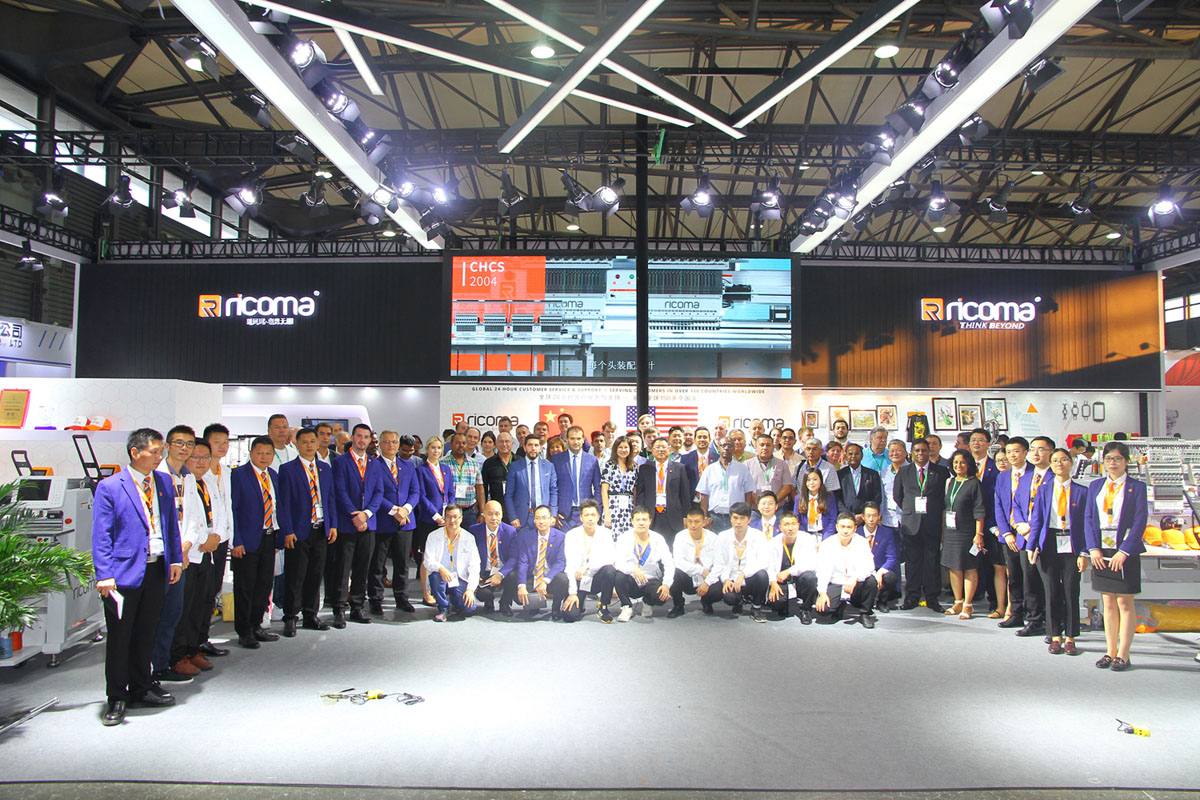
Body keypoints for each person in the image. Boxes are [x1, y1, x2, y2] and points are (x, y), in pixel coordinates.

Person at [93, 428, 183, 726]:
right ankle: (117, 696)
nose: (159, 457)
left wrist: (175, 559)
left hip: (156, 567)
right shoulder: (110, 486)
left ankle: (141, 688)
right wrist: (104, 574)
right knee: (121, 636)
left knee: (147, 632)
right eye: (154, 452)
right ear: (135, 452)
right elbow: (102, 535)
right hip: (122, 574)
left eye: (160, 452)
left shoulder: (163, 482)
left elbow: (170, 524)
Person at [1084, 441, 1147, 671]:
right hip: (1101, 550)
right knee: (1108, 601)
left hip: (1125, 550)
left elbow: (1140, 520)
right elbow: (1088, 518)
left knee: (1124, 602)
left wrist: (1125, 551)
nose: (1113, 463)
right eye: (1109, 458)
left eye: (1118, 458)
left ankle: (1124, 654)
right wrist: (1092, 548)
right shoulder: (1095, 486)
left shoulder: (1137, 487)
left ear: (1126, 461)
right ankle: (1110, 652)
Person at [1028, 448, 1088, 656]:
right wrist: (1031, 546)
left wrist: (1084, 552)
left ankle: (1070, 637)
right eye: (1054, 461)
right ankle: (1055, 636)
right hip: (1049, 542)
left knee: (1071, 590)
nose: (1059, 464)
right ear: (1051, 464)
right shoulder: (1044, 489)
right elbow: (1037, 519)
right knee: (1051, 590)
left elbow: (1087, 523)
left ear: (1071, 463)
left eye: (1063, 460)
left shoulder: (1082, 491)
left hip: (1072, 543)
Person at [169, 439, 222, 673]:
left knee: (202, 604)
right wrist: (202, 541)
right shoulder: (180, 482)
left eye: (205, 458)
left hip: (208, 552)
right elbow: (187, 519)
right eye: (196, 457)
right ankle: (179, 654)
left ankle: (193, 649)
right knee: (185, 608)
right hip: (189, 554)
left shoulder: (206, 482)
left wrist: (216, 537)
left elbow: (219, 514)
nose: (201, 462)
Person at [277, 427, 337, 636]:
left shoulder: (324, 468)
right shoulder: (287, 469)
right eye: (304, 442)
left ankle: (311, 615)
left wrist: (333, 525)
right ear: (297, 444)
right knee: (296, 576)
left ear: (318, 443)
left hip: (321, 529)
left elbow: (330, 499)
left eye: (313, 441)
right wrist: (287, 530)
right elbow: (283, 504)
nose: (309, 445)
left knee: (315, 575)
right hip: (298, 531)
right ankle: (291, 617)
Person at [153, 425, 201, 683]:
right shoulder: (157, 475)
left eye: (189, 444)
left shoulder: (188, 477)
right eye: (179, 443)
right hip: (160, 554)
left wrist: (187, 543)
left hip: (181, 554)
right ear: (167, 446)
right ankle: (151, 666)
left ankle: (163, 664)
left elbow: (192, 515)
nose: (185, 448)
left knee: (173, 612)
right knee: (155, 613)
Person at [230, 436, 285, 648]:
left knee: (264, 585)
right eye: (259, 453)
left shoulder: (273, 475)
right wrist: (236, 541)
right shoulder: (238, 475)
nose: (264, 457)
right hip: (246, 540)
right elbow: (234, 510)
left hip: (269, 537)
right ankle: (244, 631)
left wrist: (279, 537)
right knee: (245, 587)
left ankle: (256, 626)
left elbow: (278, 507)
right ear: (251, 453)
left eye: (268, 453)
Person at [331, 424, 383, 626]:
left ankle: (357, 607)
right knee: (342, 569)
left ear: (370, 440)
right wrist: (354, 515)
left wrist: (366, 514)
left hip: (368, 524)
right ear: (352, 438)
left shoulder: (375, 464)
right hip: (347, 523)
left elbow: (379, 492)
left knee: (362, 568)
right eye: (359, 436)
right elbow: (340, 491)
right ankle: (338, 609)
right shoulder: (340, 462)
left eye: (366, 437)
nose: (362, 440)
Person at [368, 431, 421, 616]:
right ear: (380, 445)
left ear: (398, 444)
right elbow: (374, 493)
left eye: (394, 442)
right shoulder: (373, 465)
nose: (391, 445)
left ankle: (401, 597)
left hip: (405, 522)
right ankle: (375, 599)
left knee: (402, 564)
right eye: (387, 442)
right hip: (383, 521)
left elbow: (415, 492)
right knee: (377, 564)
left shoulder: (408, 465)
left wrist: (405, 510)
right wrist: (394, 511)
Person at [895, 437, 949, 613]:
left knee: (932, 561)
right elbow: (898, 496)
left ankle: (932, 598)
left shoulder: (941, 472)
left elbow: (944, 497)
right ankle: (912, 596)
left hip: (932, 522)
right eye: (917, 450)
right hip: (911, 523)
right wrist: (911, 510)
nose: (920, 453)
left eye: (924, 450)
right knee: (912, 562)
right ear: (912, 453)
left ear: (929, 452)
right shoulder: (904, 471)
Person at [198, 423, 233, 659]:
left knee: (212, 590)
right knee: (199, 593)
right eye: (217, 442)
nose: (222, 446)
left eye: (225, 442)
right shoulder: (198, 474)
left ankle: (203, 637)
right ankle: (194, 642)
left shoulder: (226, 472)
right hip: (202, 542)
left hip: (222, 538)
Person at [940, 450, 986, 620]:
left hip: (967, 532)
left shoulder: (974, 483)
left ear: (969, 465)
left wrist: (978, 533)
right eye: (956, 462)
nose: (958, 466)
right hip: (951, 532)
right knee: (954, 567)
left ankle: (968, 604)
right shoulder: (951, 482)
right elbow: (946, 507)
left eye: (962, 462)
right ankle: (957, 601)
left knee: (969, 567)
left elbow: (979, 510)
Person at [815, 513, 879, 628]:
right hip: (837, 582)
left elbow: (869, 566)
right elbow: (822, 571)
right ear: (837, 527)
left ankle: (865, 613)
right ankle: (840, 605)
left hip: (856, 584)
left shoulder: (862, 542)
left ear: (855, 528)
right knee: (823, 611)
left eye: (849, 527)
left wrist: (855, 578)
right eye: (842, 527)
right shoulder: (827, 544)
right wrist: (822, 593)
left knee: (871, 581)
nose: (845, 531)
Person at [613, 506, 675, 621]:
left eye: (644, 519)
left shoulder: (658, 539)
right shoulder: (623, 538)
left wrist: (666, 584)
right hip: (630, 579)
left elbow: (669, 563)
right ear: (632, 521)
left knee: (661, 597)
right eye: (638, 520)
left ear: (650, 521)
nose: (641, 523)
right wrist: (633, 570)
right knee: (618, 576)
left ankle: (647, 602)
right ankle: (626, 606)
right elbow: (618, 563)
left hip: (650, 579)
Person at [710, 502, 769, 622]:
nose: (738, 522)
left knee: (762, 575)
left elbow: (763, 561)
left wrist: (744, 574)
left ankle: (756, 608)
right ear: (730, 519)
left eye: (742, 518)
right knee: (730, 598)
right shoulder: (722, 536)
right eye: (735, 518)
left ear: (749, 520)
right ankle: (738, 603)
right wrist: (726, 579)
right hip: (731, 577)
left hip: (749, 577)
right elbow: (719, 562)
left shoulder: (758, 536)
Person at [562, 500, 618, 622]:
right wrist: (572, 593)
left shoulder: (606, 534)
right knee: (569, 616)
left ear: (598, 517)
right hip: (578, 580)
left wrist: (588, 566)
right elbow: (569, 565)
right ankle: (580, 603)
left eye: (593, 515)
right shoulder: (571, 535)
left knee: (609, 570)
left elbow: (609, 559)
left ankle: (603, 606)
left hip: (596, 579)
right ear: (581, 517)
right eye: (586, 515)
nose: (590, 519)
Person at [416, 435, 455, 608]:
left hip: (446, 520)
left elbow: (451, 493)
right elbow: (421, 496)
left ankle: (441, 590)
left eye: (439, 448)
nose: (436, 451)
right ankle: (426, 593)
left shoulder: (446, 469)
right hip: (428, 520)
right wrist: (435, 515)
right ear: (427, 449)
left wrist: (448, 514)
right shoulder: (421, 470)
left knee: (444, 555)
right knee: (427, 557)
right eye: (433, 448)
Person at [423, 505, 480, 622]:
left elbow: (475, 566)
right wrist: (440, 568)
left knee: (470, 607)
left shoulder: (469, 538)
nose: (452, 520)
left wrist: (470, 590)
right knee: (435, 576)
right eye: (448, 517)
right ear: (444, 518)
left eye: (455, 517)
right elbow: (428, 561)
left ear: (461, 518)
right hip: (441, 577)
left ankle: (453, 600)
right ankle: (443, 609)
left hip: (459, 579)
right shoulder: (433, 536)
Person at [634, 436, 692, 544]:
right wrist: (640, 513)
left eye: (664, 447)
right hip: (651, 514)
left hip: (673, 515)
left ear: (669, 450)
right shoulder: (645, 468)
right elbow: (641, 494)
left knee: (672, 546)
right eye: (657, 447)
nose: (661, 450)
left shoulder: (679, 468)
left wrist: (686, 516)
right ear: (652, 451)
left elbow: (685, 494)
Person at [765, 510, 819, 622]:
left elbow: (811, 564)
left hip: (799, 577)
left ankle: (806, 609)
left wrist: (789, 571)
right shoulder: (773, 543)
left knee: (810, 578)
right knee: (778, 604)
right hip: (781, 579)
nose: (790, 528)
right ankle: (782, 606)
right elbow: (769, 566)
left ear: (798, 525)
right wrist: (773, 583)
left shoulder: (808, 539)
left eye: (793, 524)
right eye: (786, 525)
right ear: (780, 527)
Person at [516, 505, 568, 619]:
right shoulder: (526, 537)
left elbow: (560, 562)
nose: (541, 521)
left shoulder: (561, 537)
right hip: (533, 575)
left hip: (550, 578)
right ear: (534, 520)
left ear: (551, 519)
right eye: (538, 518)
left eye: (544, 518)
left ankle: (555, 608)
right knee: (518, 592)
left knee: (563, 580)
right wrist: (521, 586)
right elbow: (523, 562)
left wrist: (545, 580)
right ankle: (534, 606)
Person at [668, 505, 721, 617]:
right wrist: (700, 570)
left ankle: (707, 602)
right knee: (672, 573)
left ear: (704, 522)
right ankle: (678, 605)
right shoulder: (680, 536)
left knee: (718, 590)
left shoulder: (713, 538)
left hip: (707, 577)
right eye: (690, 521)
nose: (693, 525)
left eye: (697, 522)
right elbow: (678, 561)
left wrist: (707, 583)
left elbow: (719, 564)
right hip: (689, 577)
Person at [470, 500, 521, 615]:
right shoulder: (474, 530)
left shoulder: (510, 531)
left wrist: (500, 574)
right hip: (485, 572)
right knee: (483, 594)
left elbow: (514, 558)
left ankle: (505, 603)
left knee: (514, 575)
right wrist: (475, 575)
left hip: (503, 570)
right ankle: (488, 602)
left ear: (502, 515)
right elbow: (470, 557)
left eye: (497, 514)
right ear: (483, 514)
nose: (494, 518)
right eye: (490, 514)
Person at [696, 438, 754, 532]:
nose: (726, 448)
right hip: (714, 518)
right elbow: (704, 496)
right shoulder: (709, 470)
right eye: (723, 446)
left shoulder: (742, 469)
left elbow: (748, 494)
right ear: (718, 448)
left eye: (729, 446)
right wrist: (705, 517)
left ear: (734, 448)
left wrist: (747, 515)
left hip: (737, 518)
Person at [552, 425, 603, 530]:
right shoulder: (556, 459)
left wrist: (597, 511)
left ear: (583, 440)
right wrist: (553, 512)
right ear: (567, 440)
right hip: (563, 514)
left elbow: (598, 488)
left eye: (579, 438)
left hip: (586, 512)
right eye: (572, 438)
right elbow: (553, 487)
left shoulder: (592, 460)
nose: (576, 442)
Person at [504, 434, 558, 531]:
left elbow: (553, 491)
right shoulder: (515, 467)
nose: (533, 448)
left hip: (544, 517)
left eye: (536, 445)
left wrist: (553, 515)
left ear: (540, 448)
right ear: (524, 448)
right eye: (530, 445)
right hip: (522, 518)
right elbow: (508, 494)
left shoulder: (549, 466)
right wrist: (513, 517)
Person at [859, 502, 900, 611]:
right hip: (861, 570)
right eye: (868, 516)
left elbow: (892, 557)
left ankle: (882, 602)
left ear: (879, 517)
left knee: (891, 577)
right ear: (863, 517)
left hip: (879, 568)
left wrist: (880, 572)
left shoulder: (886, 533)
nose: (871, 519)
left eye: (874, 515)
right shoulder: (856, 533)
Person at [601, 436, 639, 535]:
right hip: (613, 507)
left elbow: (635, 490)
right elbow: (604, 490)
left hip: (629, 508)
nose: (623, 450)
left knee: (628, 537)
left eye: (626, 447)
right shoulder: (609, 465)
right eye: (620, 447)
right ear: (615, 449)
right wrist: (607, 513)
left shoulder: (634, 467)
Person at [446, 432, 485, 529]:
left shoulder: (474, 463)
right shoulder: (442, 463)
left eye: (463, 443)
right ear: (451, 445)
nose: (461, 446)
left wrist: (482, 513)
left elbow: (480, 488)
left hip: (469, 512)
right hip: (449, 512)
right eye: (457, 443)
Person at [745, 433, 795, 509]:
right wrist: (760, 504)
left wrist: (772, 503)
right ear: (756, 447)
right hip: (755, 509)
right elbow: (746, 488)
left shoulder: (782, 464)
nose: (765, 448)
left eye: (768, 445)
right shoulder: (747, 465)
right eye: (762, 445)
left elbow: (787, 487)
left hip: (778, 509)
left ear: (773, 447)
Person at [837, 443, 882, 526]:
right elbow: (837, 498)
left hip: (867, 519)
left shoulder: (872, 474)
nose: (853, 456)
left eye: (857, 453)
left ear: (862, 456)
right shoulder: (840, 475)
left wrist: (863, 515)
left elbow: (877, 497)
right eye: (850, 454)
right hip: (845, 519)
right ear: (846, 456)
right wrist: (849, 515)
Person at [794, 469, 837, 540]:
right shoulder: (798, 498)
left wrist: (825, 539)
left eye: (815, 479)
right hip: (806, 536)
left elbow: (832, 520)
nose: (811, 483)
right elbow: (797, 520)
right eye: (808, 480)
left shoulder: (829, 497)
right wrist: (806, 538)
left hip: (824, 535)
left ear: (821, 480)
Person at [680, 426, 716, 495]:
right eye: (699, 437)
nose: (702, 440)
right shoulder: (685, 458)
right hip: (692, 499)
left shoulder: (717, 458)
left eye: (705, 437)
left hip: (712, 497)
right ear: (694, 440)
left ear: (710, 440)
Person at [482, 431, 515, 504]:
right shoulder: (488, 463)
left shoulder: (520, 462)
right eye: (501, 441)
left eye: (507, 441)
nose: (504, 444)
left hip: (517, 506)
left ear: (512, 443)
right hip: (496, 506)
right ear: (496, 444)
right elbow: (484, 488)